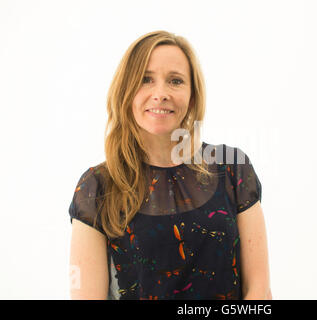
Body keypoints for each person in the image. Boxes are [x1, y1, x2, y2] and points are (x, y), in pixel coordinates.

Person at [68, 30, 271, 300]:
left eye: (175, 81)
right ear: (125, 91)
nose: (160, 93)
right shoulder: (97, 186)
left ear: (193, 96)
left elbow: (258, 290)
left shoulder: (232, 169)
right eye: (145, 79)